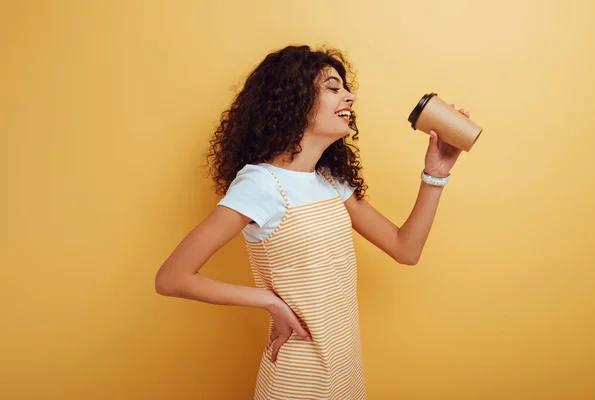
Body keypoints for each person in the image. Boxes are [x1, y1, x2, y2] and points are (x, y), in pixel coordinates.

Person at [155, 44, 469, 399]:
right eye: (333, 88)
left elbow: (405, 249)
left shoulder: (331, 181)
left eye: (345, 88)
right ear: (295, 99)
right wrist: (269, 301)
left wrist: (435, 174)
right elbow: (171, 278)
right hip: (298, 377)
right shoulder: (260, 183)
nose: (349, 97)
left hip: (344, 374)